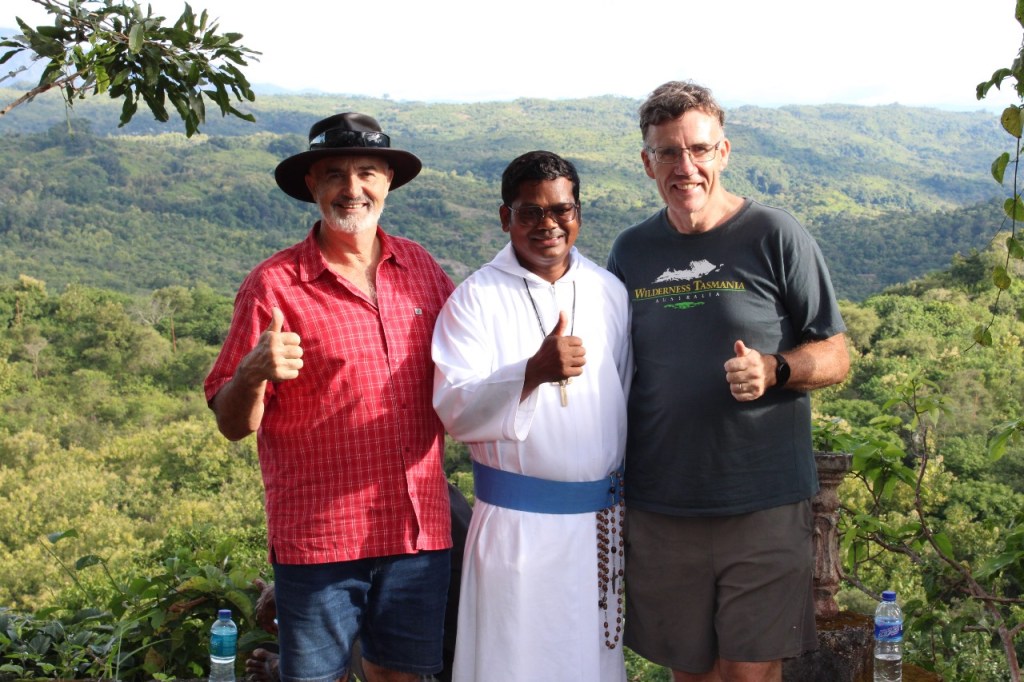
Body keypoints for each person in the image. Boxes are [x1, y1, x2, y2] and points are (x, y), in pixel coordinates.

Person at [606, 81, 850, 682]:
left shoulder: (774, 234)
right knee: (689, 672)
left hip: (762, 498)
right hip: (663, 503)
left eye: (698, 149)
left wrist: (776, 369)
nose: (685, 166)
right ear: (647, 163)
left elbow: (836, 354)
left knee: (750, 671)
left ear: (723, 152)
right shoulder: (631, 251)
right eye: (668, 152)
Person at [204, 112, 455, 682]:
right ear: (312, 185)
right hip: (320, 538)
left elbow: (470, 365)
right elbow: (233, 423)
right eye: (335, 173)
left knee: (402, 676)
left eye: (367, 171)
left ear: (388, 181)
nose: (352, 187)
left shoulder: (420, 269)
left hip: (417, 530)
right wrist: (251, 374)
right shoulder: (274, 285)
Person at [432, 151, 632, 682]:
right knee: (514, 664)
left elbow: (625, 398)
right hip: (516, 531)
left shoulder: (609, 292)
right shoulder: (474, 300)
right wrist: (530, 373)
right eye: (530, 212)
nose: (549, 224)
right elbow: (454, 408)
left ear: (578, 213)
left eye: (561, 210)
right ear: (506, 217)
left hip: (599, 530)